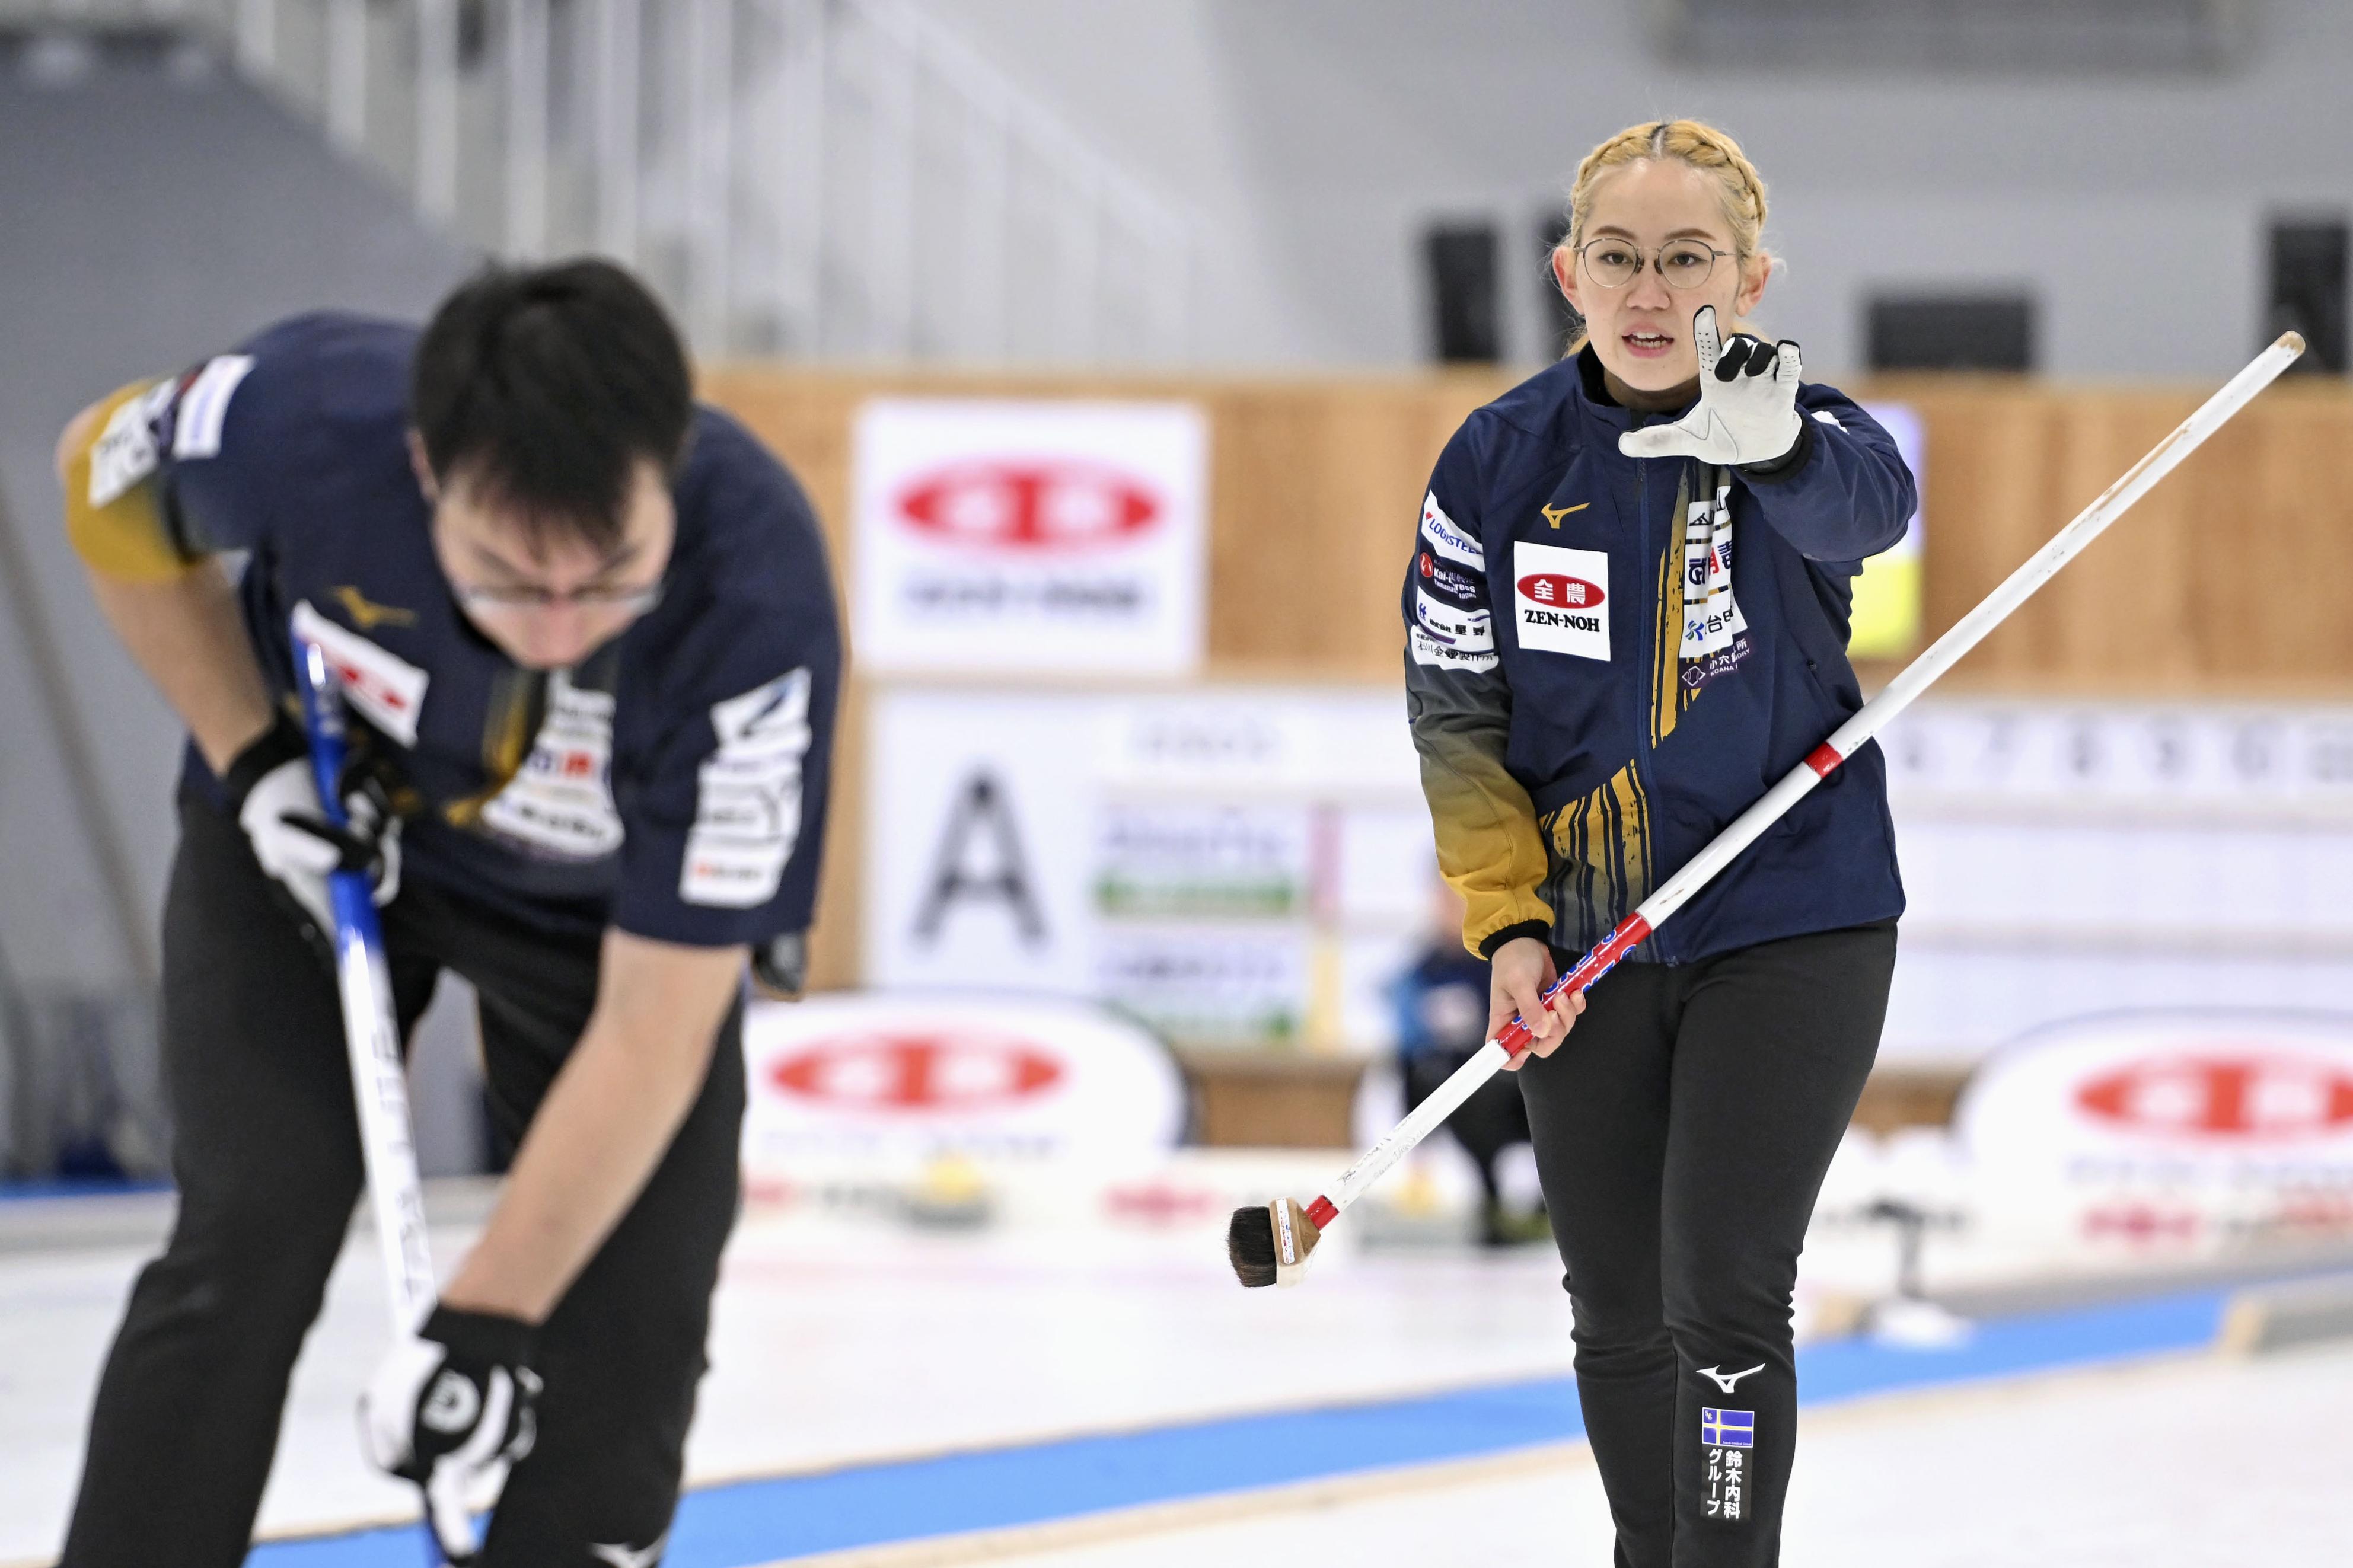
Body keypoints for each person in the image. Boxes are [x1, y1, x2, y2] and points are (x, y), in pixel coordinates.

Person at [51, 259, 841, 1566]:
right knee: (252, 1228)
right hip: (323, 835)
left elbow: (658, 1021)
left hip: (605, 934)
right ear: (428, 471)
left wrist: (480, 1321)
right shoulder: (304, 422)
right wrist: (252, 762)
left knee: (633, 1322)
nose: (559, 625)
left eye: (609, 580)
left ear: (666, 473)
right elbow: (99, 479)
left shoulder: (751, 598)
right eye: (508, 579)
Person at [1402, 119, 1912, 1566]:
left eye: (1685, 259)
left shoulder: (1818, 437)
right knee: (1614, 1297)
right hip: (1585, 933)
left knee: (1724, 1288)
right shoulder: (1495, 463)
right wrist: (1505, 922)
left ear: (1747, 282)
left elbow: (1871, 509)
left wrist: (1782, 449)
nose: (1647, 291)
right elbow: (1453, 710)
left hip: (1793, 923)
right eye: (1616, 257)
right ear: (1566, 274)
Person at [1389, 879, 1545, 1246]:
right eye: (1444, 900)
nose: (1450, 910)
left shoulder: (1504, 957)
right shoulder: (1423, 971)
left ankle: (1548, 1207)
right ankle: (1492, 1201)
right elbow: (1409, 1047)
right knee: (1461, 1098)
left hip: (1522, 1083)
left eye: (1458, 902)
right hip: (1468, 1093)